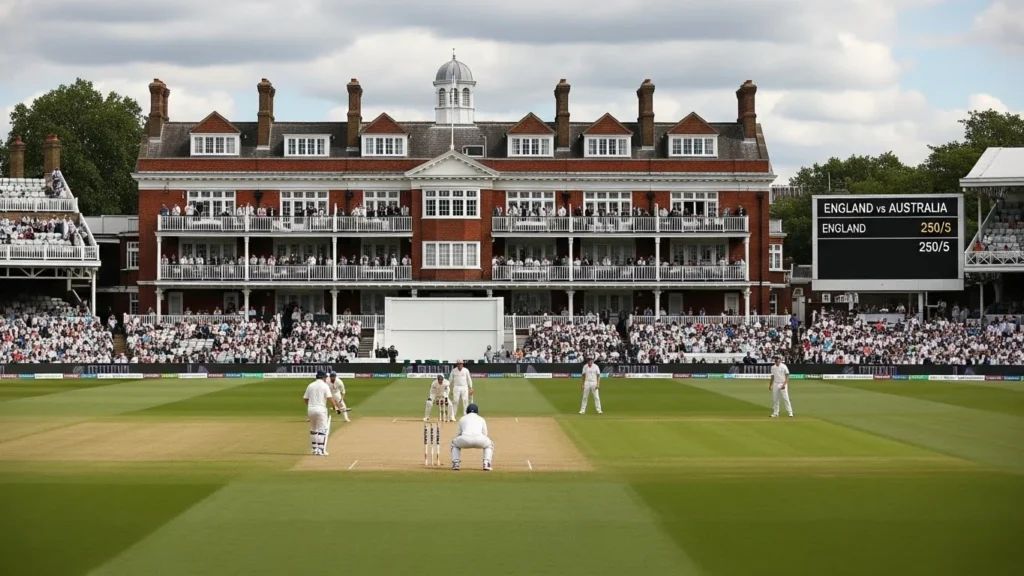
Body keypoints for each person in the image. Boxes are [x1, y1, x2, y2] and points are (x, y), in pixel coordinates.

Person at [303, 370, 342, 456]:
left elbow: (305, 399)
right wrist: (335, 407)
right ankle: (320, 450)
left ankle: (314, 449)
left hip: (310, 409)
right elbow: (330, 397)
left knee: (313, 429)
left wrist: (312, 404)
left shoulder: (310, 385)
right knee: (322, 430)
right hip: (321, 410)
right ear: (323, 377)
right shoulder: (325, 386)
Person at [450, 403, 493, 471]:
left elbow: (458, 434)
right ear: (477, 412)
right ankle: (486, 463)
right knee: (489, 444)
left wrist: (461, 439)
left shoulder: (462, 419)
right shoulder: (481, 419)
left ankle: (456, 463)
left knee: (454, 443)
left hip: (465, 440)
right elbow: (485, 434)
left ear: (467, 411)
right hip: (480, 440)